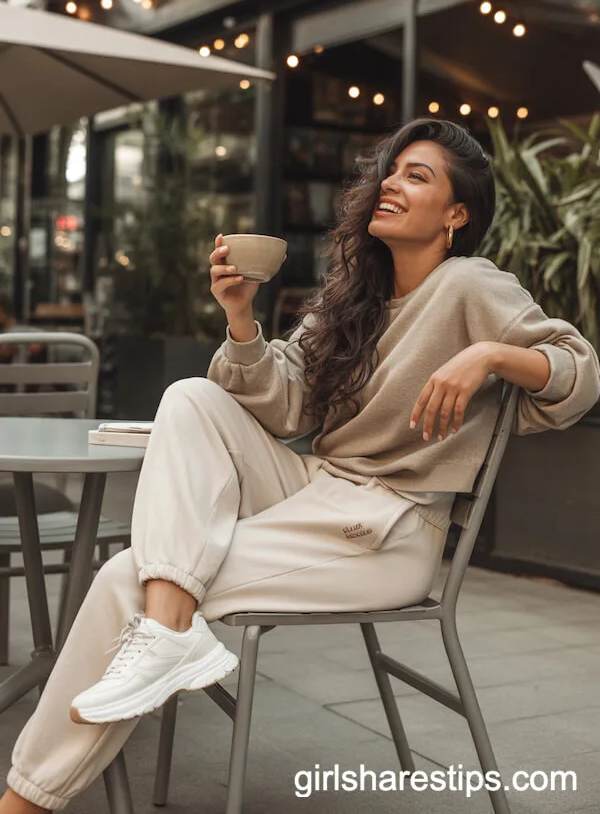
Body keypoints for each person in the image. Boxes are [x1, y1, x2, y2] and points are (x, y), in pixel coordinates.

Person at [1, 117, 599, 813]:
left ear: (456, 215)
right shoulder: (355, 295)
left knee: (122, 579)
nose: (392, 184)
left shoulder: (469, 284)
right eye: (392, 170)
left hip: (388, 527)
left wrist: (490, 355)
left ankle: (25, 799)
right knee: (191, 396)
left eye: (418, 175)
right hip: (316, 492)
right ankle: (167, 637)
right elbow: (287, 409)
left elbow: (581, 370)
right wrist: (241, 319)